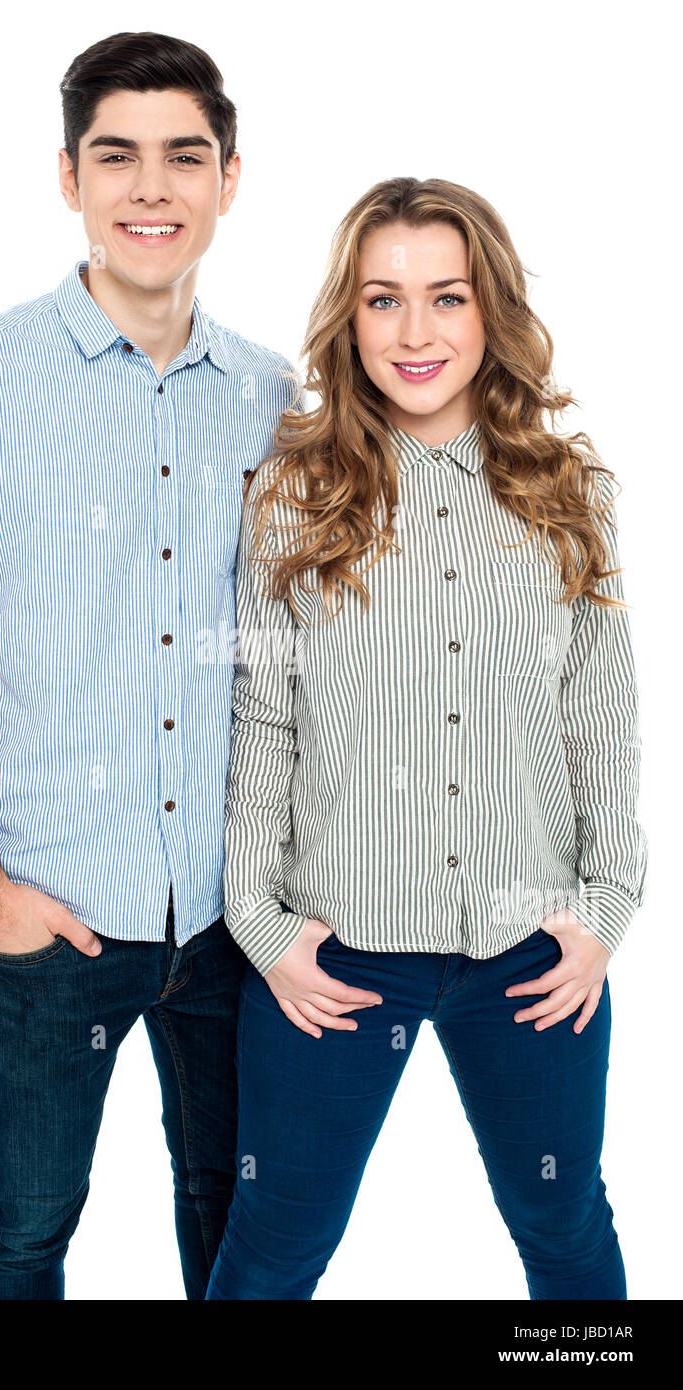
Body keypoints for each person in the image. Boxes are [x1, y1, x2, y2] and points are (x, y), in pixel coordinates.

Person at [0, 30, 299, 1301]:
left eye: (183, 156)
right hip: (45, 918)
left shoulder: (278, 397)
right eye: (117, 156)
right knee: (24, 1226)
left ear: (229, 178)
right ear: (68, 177)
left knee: (237, 1221)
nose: (150, 188)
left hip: (233, 917)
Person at [205, 176, 648, 1301]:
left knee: (564, 1223)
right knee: (274, 1245)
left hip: (532, 950)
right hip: (335, 953)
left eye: (445, 297)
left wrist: (604, 910)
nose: (415, 332)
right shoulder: (292, 497)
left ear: (488, 311)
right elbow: (264, 713)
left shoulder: (569, 493)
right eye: (382, 299)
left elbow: (601, 708)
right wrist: (260, 921)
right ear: (347, 320)